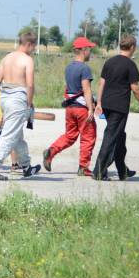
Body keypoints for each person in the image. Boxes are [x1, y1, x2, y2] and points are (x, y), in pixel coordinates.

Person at [0, 33, 42, 181]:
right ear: (29, 44)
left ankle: (26, 167)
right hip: (18, 99)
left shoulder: (6, 58)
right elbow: (30, 84)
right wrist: (29, 103)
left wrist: (5, 95)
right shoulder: (27, 60)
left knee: (17, 137)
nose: (33, 50)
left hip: (5, 98)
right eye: (34, 47)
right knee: (9, 136)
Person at [42, 37, 98, 176]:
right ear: (83, 50)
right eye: (89, 49)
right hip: (82, 109)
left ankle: (51, 151)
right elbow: (86, 90)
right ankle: (83, 167)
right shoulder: (85, 68)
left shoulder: (69, 67)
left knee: (70, 135)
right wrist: (91, 109)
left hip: (70, 108)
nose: (90, 52)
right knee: (88, 136)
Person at [92, 35, 139, 181]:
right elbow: (135, 89)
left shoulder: (109, 62)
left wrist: (99, 103)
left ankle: (122, 171)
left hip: (107, 104)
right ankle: (99, 171)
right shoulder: (130, 65)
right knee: (111, 137)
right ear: (132, 47)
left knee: (119, 137)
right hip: (119, 107)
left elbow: (102, 83)